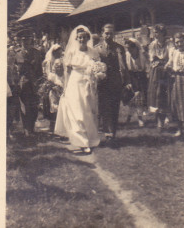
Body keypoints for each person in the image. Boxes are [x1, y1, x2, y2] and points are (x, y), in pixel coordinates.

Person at [55, 25, 102, 153]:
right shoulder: (71, 52)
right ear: (76, 39)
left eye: (84, 37)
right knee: (77, 111)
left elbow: (98, 66)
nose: (82, 40)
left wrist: (97, 74)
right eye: (79, 38)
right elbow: (67, 71)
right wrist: (65, 86)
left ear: (88, 38)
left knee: (87, 111)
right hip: (74, 82)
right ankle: (82, 142)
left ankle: (90, 138)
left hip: (88, 83)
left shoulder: (93, 52)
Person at [95, 24, 131, 145]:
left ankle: (112, 133)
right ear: (102, 34)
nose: (108, 36)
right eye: (106, 33)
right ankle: (107, 133)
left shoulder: (119, 48)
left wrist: (127, 82)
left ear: (114, 34)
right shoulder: (97, 49)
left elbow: (124, 67)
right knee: (104, 108)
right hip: (102, 83)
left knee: (115, 108)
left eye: (111, 33)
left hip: (115, 82)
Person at [165, 32, 184, 136]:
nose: (179, 44)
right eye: (177, 42)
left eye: (181, 42)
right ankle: (180, 129)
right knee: (177, 104)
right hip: (176, 80)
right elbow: (169, 63)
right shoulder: (174, 52)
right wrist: (169, 68)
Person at [15, 29, 43, 137]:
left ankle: (31, 127)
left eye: (28, 40)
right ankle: (26, 129)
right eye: (23, 40)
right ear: (20, 41)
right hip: (24, 84)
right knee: (25, 107)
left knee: (34, 107)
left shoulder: (36, 52)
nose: (26, 42)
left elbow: (40, 69)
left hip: (35, 83)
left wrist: (40, 83)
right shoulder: (17, 53)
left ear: (31, 40)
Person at [147, 24, 173, 131]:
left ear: (162, 33)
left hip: (166, 70)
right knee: (156, 94)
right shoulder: (153, 44)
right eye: (154, 32)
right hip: (157, 71)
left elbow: (171, 56)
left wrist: (166, 65)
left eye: (157, 32)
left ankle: (167, 116)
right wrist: (155, 62)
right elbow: (152, 58)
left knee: (165, 94)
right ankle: (159, 121)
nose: (155, 34)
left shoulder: (169, 43)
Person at [124, 38, 148, 126]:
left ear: (135, 48)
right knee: (134, 98)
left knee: (139, 99)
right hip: (132, 77)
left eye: (130, 48)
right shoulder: (127, 55)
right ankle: (132, 117)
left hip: (142, 77)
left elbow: (147, 66)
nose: (129, 50)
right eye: (127, 48)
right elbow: (126, 69)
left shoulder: (142, 55)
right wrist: (128, 81)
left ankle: (137, 118)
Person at [41, 44, 64, 132]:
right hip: (52, 84)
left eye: (60, 52)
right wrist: (52, 84)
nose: (59, 54)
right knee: (52, 105)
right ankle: (52, 125)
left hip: (60, 82)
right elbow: (47, 74)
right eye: (57, 52)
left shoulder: (61, 60)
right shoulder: (49, 62)